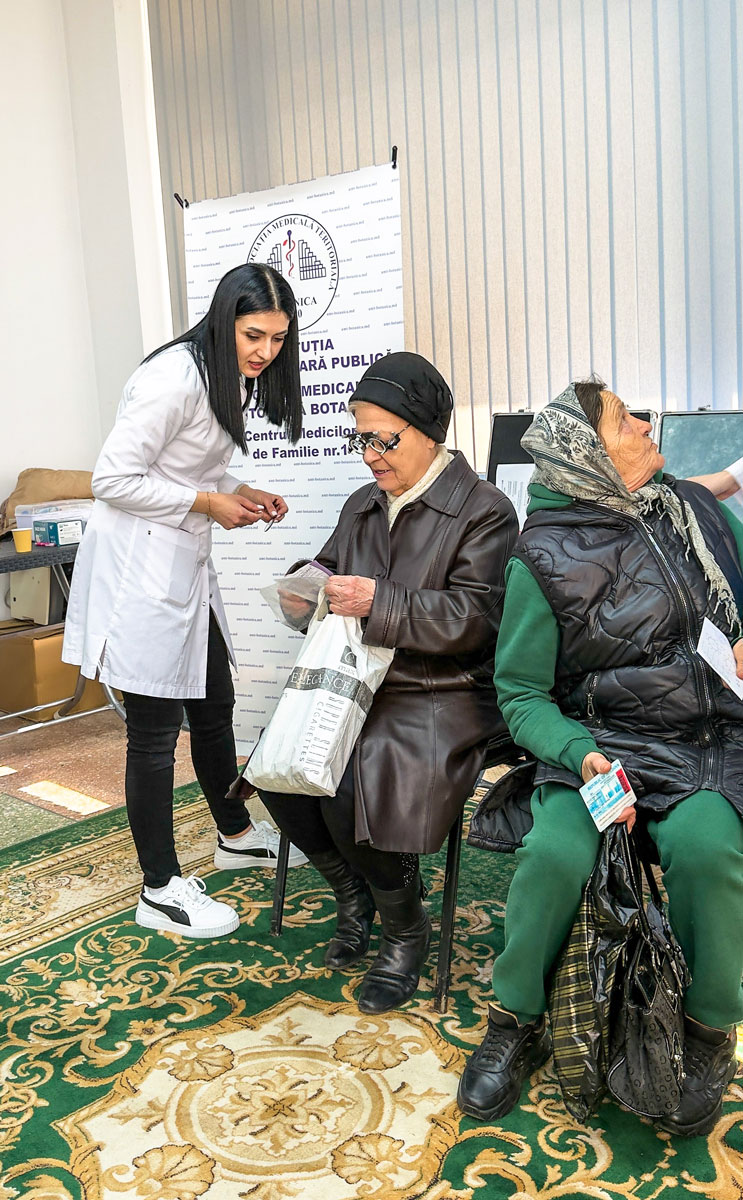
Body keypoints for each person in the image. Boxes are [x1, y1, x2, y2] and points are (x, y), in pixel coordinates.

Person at [457, 377, 743, 1138]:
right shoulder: (539, 557)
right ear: (586, 454)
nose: (646, 424)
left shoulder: (694, 512)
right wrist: (580, 756)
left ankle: (708, 1029)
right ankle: (515, 1019)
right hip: (598, 745)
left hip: (703, 739)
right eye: (624, 420)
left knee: (709, 848)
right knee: (554, 852)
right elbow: (520, 694)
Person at [258, 352, 518, 1013]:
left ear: (428, 431)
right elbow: (330, 567)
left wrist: (378, 600)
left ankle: (405, 929)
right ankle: (355, 892)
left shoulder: (484, 509)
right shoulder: (364, 503)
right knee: (276, 767)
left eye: (383, 440)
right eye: (361, 440)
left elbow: (477, 618)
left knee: (347, 777)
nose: (370, 456)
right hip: (362, 676)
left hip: (442, 687)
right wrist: (306, 589)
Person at [63, 263, 307, 940]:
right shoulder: (174, 377)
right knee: (152, 735)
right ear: (225, 320)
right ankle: (160, 889)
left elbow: (187, 465)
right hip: (139, 573)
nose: (265, 351)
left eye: (278, 339)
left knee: (215, 703)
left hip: (181, 568)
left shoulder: (226, 375)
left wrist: (239, 490)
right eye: (254, 335)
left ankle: (234, 835)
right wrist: (207, 502)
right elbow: (113, 478)